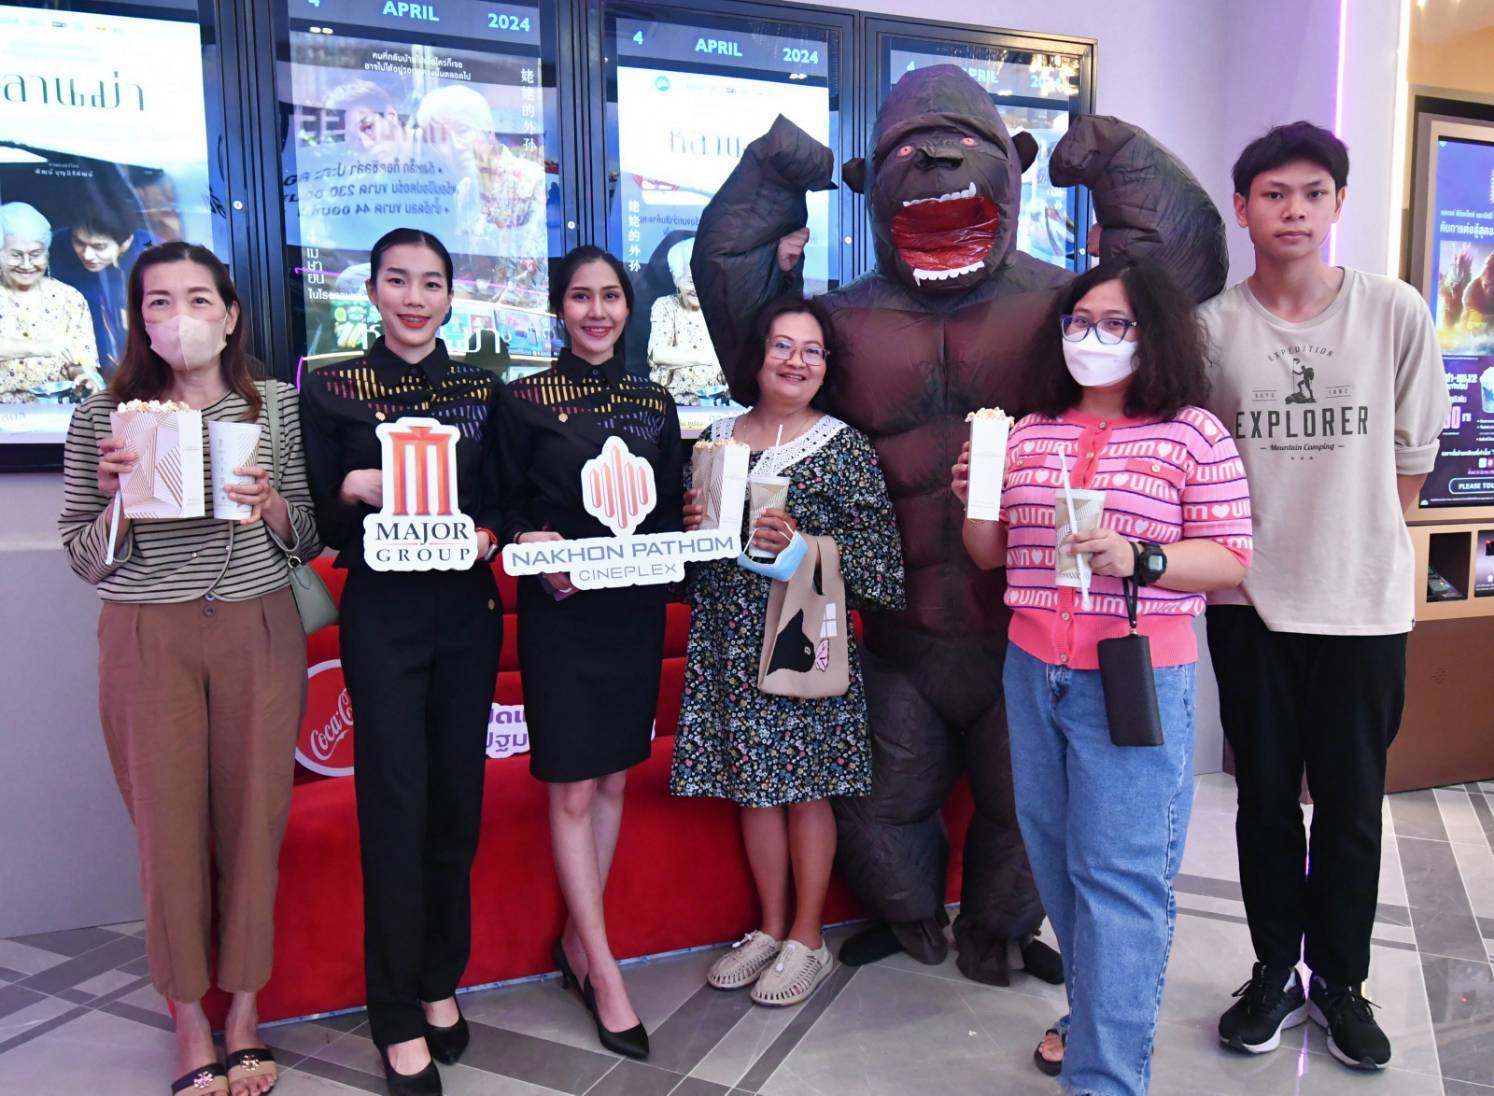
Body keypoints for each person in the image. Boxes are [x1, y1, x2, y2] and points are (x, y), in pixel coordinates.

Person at [954, 259, 1252, 1095]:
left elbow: (1231, 558)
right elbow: (990, 554)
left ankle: (1107, 1078)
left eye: (1116, 323)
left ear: (1154, 334)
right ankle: (1092, 1016)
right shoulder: (1030, 430)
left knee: (1120, 879)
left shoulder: (1192, 434)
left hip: (1132, 675)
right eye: (1080, 321)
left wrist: (1141, 556)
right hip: (1032, 669)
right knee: (1054, 861)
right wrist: (978, 496)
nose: (1094, 337)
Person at [1201, 122, 1450, 1071]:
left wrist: (1355, 543)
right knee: (1265, 800)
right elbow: (1202, 468)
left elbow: (1410, 463)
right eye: (1274, 194)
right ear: (1243, 208)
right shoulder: (1212, 328)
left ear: (1339, 203)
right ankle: (1273, 972)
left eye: (1313, 193)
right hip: (1249, 606)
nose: (1294, 210)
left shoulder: (1394, 312)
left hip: (1362, 606)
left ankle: (1341, 982)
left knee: (1351, 804)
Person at [59, 241, 320, 1096]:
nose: (181, 318)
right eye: (160, 302)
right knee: (167, 833)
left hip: (258, 628)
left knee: (254, 824)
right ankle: (189, 1022)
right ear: (140, 319)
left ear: (231, 314)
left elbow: (307, 535)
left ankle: (243, 1013)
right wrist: (121, 502)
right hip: (148, 639)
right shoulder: (103, 417)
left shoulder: (274, 406)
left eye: (199, 299)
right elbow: (83, 556)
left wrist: (271, 503)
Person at [299, 228, 505, 1096]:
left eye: (431, 283)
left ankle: (438, 981)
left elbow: (502, 497)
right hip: (383, 613)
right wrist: (353, 487)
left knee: (457, 800)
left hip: (465, 610)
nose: (415, 298)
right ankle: (393, 1012)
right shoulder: (332, 386)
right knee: (393, 805)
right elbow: (315, 514)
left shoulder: (484, 387)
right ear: (372, 291)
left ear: (451, 298)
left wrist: (489, 532)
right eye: (398, 281)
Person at [671, 296, 904, 1004]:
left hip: (802, 638)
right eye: (782, 345)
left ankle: (808, 937)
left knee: (804, 790)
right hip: (727, 639)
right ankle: (770, 927)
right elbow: (688, 565)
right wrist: (691, 526)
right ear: (757, 354)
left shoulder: (842, 447)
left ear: (827, 366)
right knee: (753, 787)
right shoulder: (714, 439)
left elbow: (882, 566)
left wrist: (802, 545)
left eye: (812, 350)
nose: (796, 361)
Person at [498, 245, 682, 1059]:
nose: (597, 311)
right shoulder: (522, 399)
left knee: (612, 778)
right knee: (573, 785)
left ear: (628, 307)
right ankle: (604, 972)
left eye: (611, 296)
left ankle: (578, 941)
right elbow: (501, 504)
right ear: (559, 309)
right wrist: (528, 539)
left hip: (631, 611)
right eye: (581, 297)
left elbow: (670, 509)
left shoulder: (653, 400)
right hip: (564, 611)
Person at [0, 201, 102, 401]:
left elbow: (80, 362)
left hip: (55, 410)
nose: (26, 265)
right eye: (15, 255)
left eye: (35, 255)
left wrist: (83, 376)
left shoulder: (70, 299)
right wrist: (40, 346)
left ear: (47, 254)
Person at [51, 197, 143, 375]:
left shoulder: (153, 254)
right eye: (78, 242)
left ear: (127, 241)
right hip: (78, 367)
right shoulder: (55, 246)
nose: (87, 255)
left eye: (99, 246)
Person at [646, 237, 723, 403]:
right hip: (675, 404)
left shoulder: (718, 310)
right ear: (676, 278)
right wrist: (708, 357)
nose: (698, 287)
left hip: (715, 404)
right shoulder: (665, 306)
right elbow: (658, 353)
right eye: (690, 280)